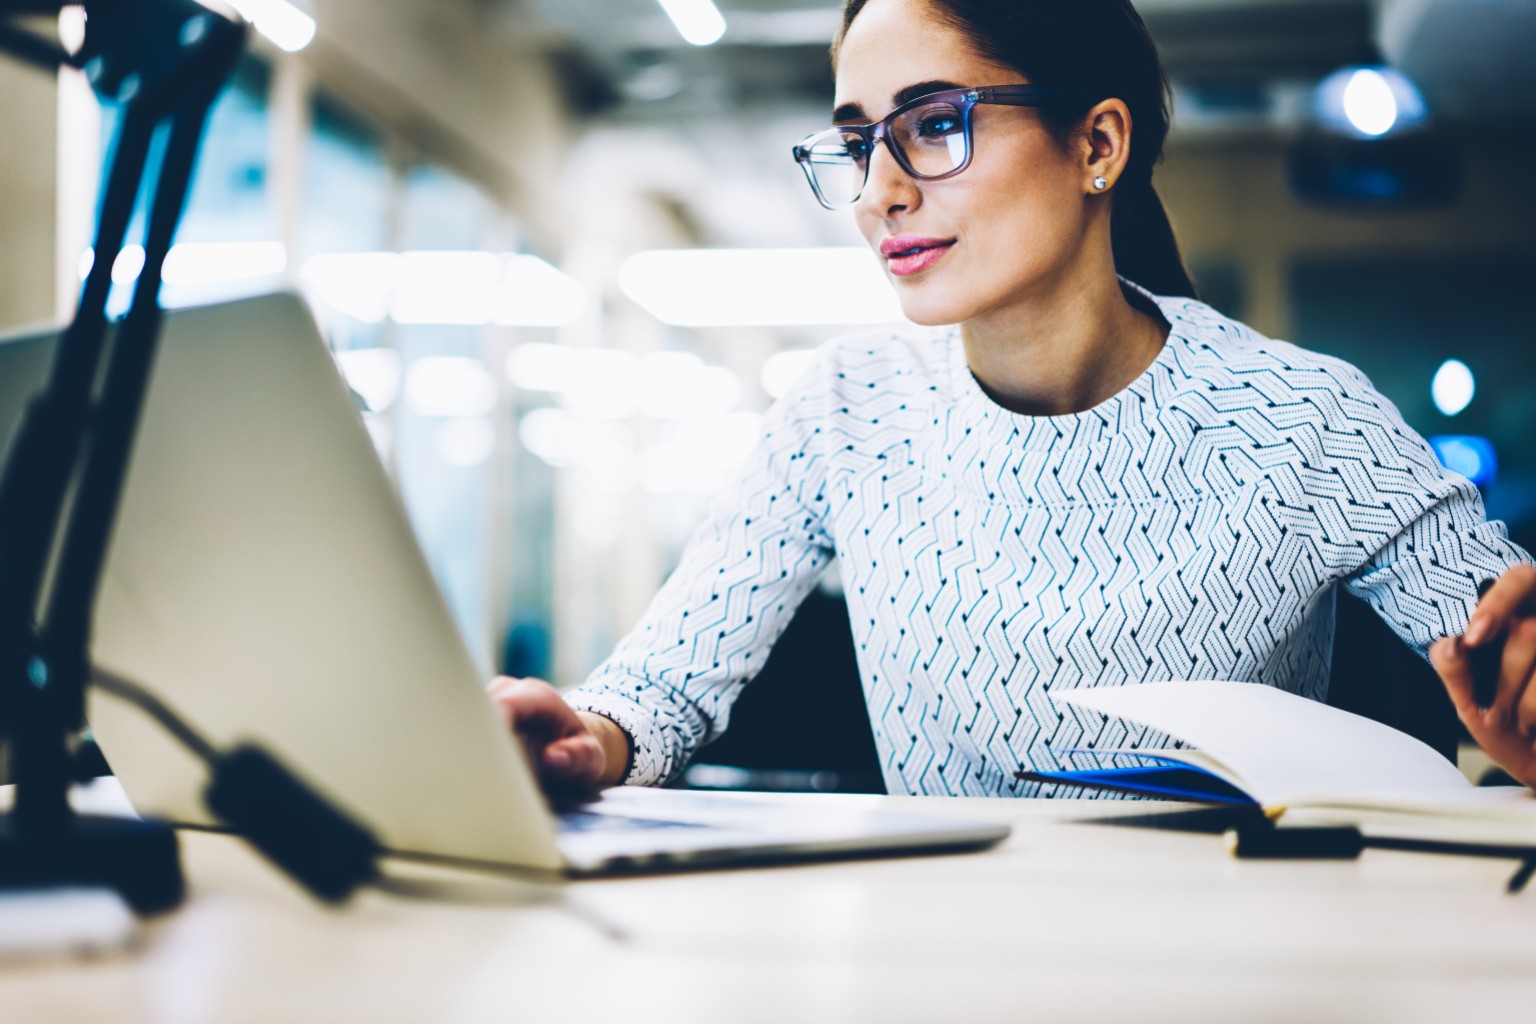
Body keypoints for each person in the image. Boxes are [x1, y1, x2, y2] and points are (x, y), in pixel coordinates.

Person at [489, 0, 1536, 797]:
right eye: (858, 141)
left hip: (1234, 968)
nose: (879, 189)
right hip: (943, 965)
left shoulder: (1305, 422)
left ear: (1097, 146)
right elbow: (663, 687)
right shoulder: (846, 411)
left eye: (935, 125)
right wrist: (588, 737)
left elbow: (1512, 657)